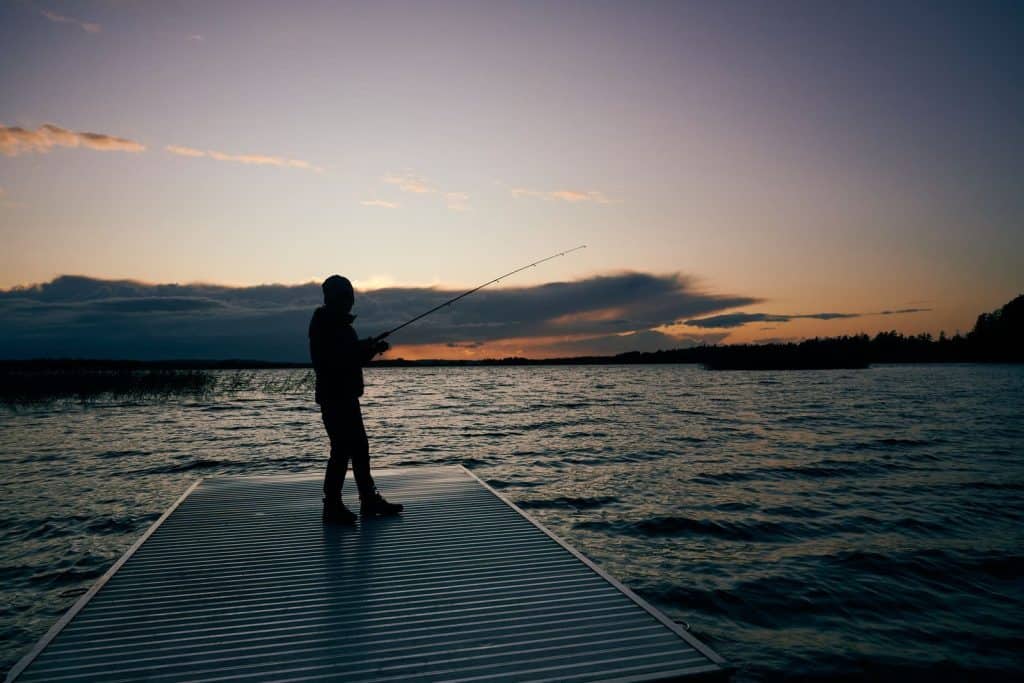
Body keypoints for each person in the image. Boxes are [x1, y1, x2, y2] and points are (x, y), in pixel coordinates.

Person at [310, 275, 403, 524]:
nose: (351, 301)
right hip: (335, 397)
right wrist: (370, 349)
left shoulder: (337, 324)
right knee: (341, 450)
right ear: (335, 298)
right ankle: (332, 506)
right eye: (347, 296)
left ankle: (368, 500)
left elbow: (349, 355)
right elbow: (340, 359)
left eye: (351, 296)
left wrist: (369, 347)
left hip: (345, 396)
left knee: (359, 448)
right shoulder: (328, 325)